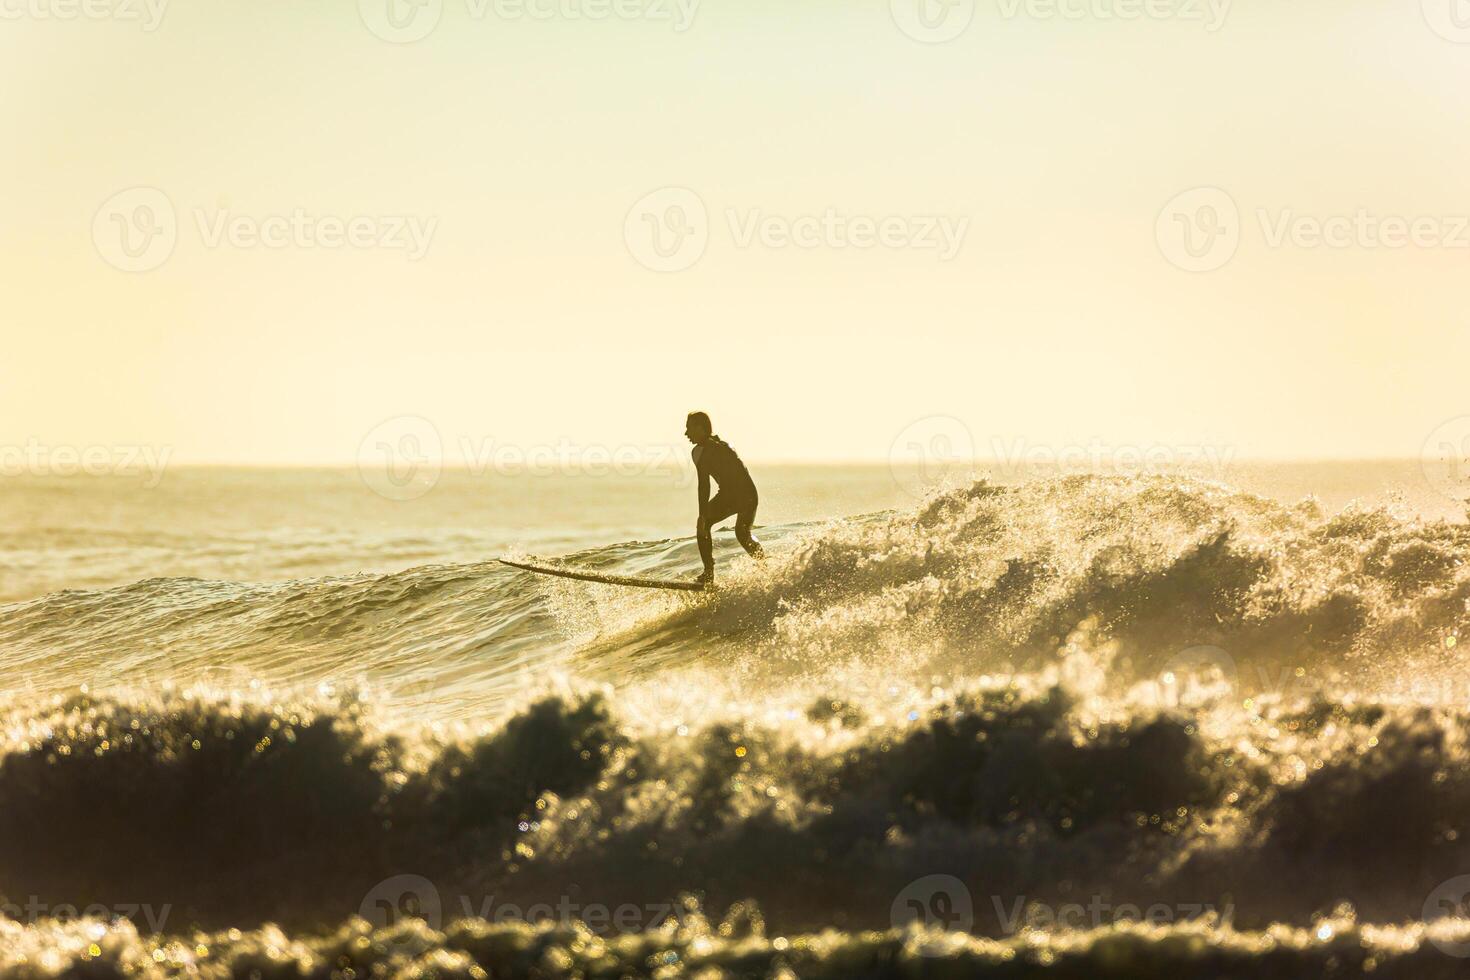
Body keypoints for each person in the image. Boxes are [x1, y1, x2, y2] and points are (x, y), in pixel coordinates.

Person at [685, 412, 764, 586]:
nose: (686, 433)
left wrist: (702, 515)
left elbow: (704, 486)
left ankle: (708, 573)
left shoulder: (704, 451)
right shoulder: (721, 445)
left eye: (689, 427)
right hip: (749, 494)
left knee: (704, 526)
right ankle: (765, 567)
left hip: (738, 495)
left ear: (700, 428)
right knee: (743, 534)